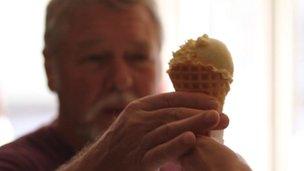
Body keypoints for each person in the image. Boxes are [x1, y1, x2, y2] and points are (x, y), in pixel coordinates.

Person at [0, 0, 251, 170]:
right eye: (95, 58)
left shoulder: (186, 163)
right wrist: (101, 161)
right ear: (50, 70)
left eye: (138, 58)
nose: (121, 80)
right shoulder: (14, 163)